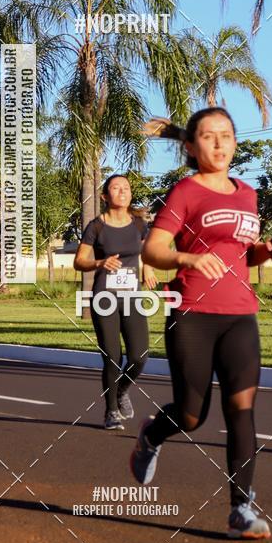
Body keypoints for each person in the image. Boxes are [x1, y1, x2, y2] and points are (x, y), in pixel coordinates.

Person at [130, 106, 272, 540]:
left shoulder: (247, 193)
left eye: (226, 135)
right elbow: (153, 250)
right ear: (190, 146)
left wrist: (267, 252)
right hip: (193, 314)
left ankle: (242, 507)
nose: (219, 143)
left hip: (240, 315)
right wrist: (190, 256)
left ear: (236, 142)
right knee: (191, 415)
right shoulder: (185, 192)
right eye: (209, 136)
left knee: (242, 410)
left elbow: (243, 251)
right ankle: (152, 436)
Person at [74, 174, 157, 430]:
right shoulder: (96, 226)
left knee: (139, 356)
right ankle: (111, 412)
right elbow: (79, 261)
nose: (122, 191)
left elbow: (149, 251)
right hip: (104, 297)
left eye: (126, 188)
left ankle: (121, 390)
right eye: (115, 188)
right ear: (105, 196)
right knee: (112, 357)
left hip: (132, 296)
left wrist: (149, 268)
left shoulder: (140, 224)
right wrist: (100, 262)